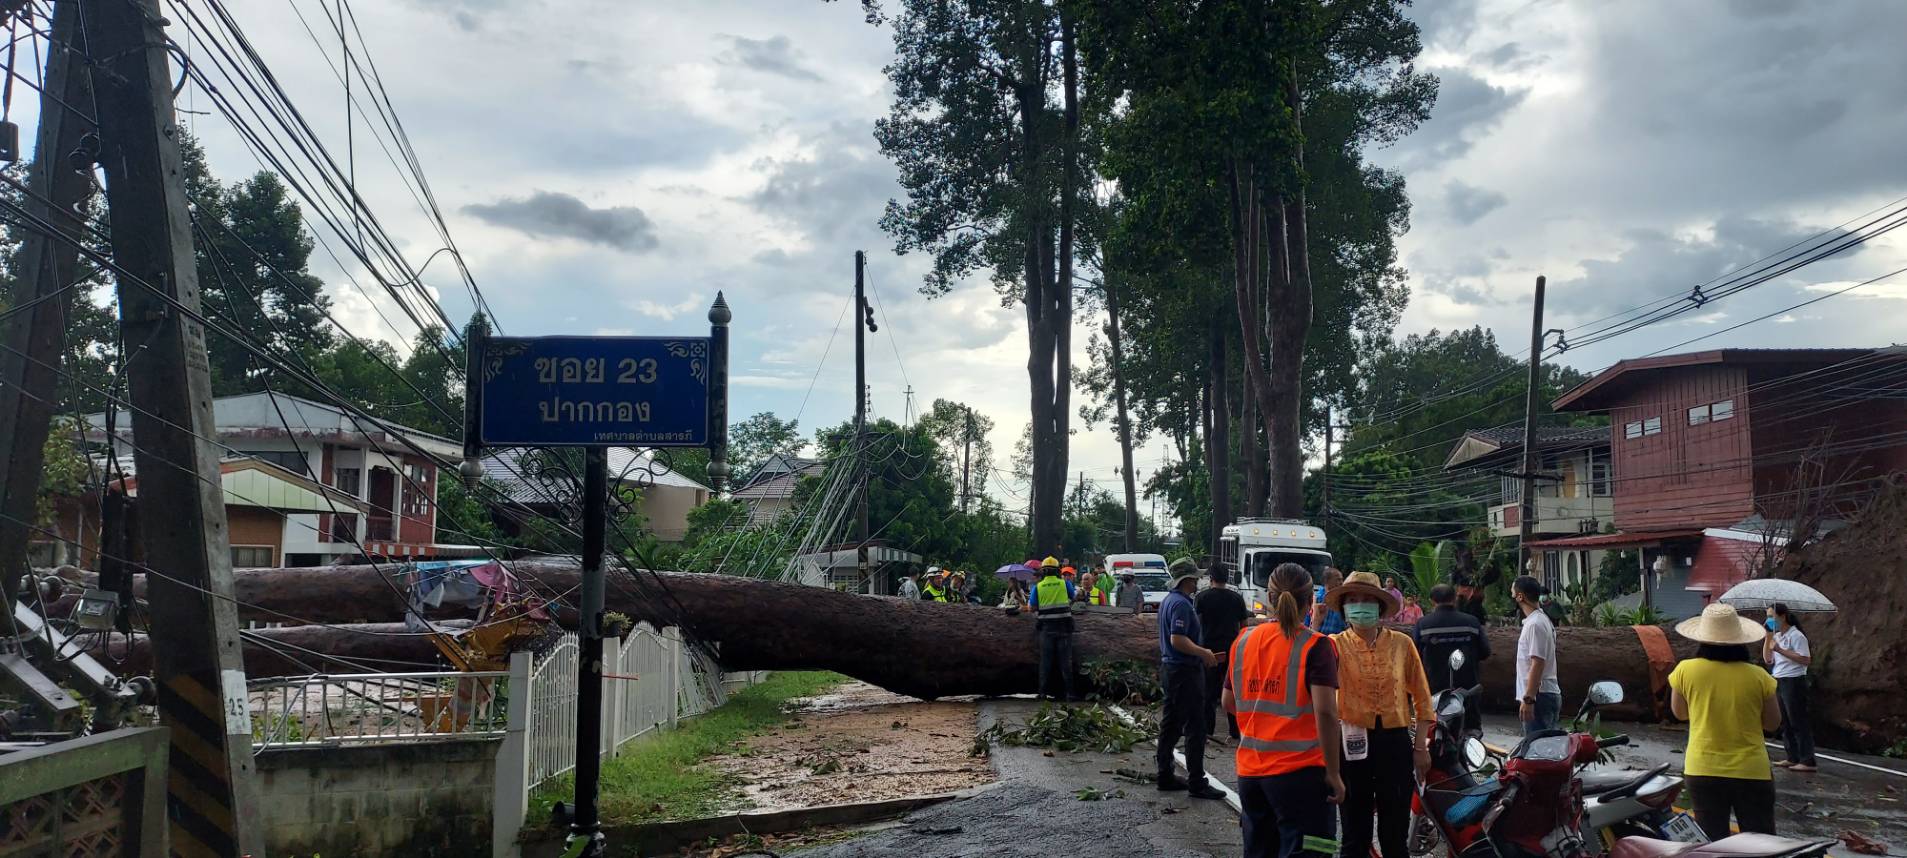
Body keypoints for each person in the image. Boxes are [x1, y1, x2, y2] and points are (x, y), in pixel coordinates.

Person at [1224, 562, 1345, 858]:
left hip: (1251, 774)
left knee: (1259, 850)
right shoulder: (1317, 646)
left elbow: (1228, 702)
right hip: (1301, 776)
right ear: (1311, 600)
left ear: (1269, 597)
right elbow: (1327, 713)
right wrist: (1334, 773)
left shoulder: (1243, 640)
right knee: (1315, 848)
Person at [1330, 571, 1435, 858]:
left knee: (1395, 830)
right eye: (1353, 600)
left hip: (1395, 742)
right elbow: (1320, 700)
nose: (1360, 605)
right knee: (1354, 830)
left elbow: (1422, 698)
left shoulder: (1402, 644)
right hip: (1351, 742)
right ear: (1344, 608)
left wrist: (1420, 747)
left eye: (1367, 599)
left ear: (1379, 606)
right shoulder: (1333, 646)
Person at [1671, 603, 1782, 840]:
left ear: (1703, 638)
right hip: (1752, 771)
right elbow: (1773, 723)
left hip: (1703, 769)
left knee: (1713, 843)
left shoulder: (1685, 670)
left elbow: (1679, 713)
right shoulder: (1759, 676)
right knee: (1761, 844)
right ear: (1740, 639)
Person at [1156, 558, 1226, 800]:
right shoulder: (1181, 605)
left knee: (1171, 724)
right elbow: (1178, 639)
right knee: (1196, 727)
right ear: (1187, 580)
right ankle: (1197, 781)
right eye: (1195, 578)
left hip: (1171, 669)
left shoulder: (1170, 601)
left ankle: (1164, 774)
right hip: (1184, 671)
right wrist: (1203, 653)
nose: (1198, 581)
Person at [1413, 583, 1491, 734]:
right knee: (1471, 732)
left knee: (1433, 731)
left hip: (1434, 691)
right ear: (1454, 599)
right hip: (1467, 689)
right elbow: (1485, 652)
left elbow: (1414, 657)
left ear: (1432, 601)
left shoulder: (1423, 625)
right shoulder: (1471, 622)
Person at [1197, 563, 1251, 742]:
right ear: (1227, 579)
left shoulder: (1202, 597)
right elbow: (1244, 626)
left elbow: (1197, 624)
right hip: (1232, 650)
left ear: (1210, 578)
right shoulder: (1236, 598)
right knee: (1233, 691)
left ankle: (1207, 730)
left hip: (1208, 651)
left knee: (1208, 693)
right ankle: (1235, 731)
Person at [1763, 603, 1816, 772]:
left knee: (1797, 719)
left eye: (1772, 617)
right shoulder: (1777, 636)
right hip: (1778, 678)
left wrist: (1780, 649)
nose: (1770, 620)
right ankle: (1792, 756)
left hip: (1794, 680)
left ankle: (1807, 759)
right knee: (1784, 720)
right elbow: (1768, 659)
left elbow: (1805, 659)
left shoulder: (1796, 636)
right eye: (1768, 617)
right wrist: (1768, 637)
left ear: (1783, 616)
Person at [1513, 575, 1561, 736]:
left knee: (1538, 754)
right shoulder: (1540, 620)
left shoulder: (1535, 624)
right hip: (1541, 695)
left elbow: (1538, 662)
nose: (1512, 595)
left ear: (1520, 596)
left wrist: (1529, 699)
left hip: (1540, 696)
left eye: (1513, 592)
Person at [1029, 557, 1077, 701]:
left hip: (1046, 629)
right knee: (1065, 662)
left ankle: (1042, 692)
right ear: (1058, 571)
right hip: (1063, 627)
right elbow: (1073, 597)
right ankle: (1070, 693)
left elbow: (1032, 608)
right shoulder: (1064, 583)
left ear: (1043, 571)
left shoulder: (1038, 587)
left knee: (1045, 662)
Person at [1309, 568, 1348, 634]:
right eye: (1338, 579)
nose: (1341, 582)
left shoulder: (1344, 601)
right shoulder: (1316, 600)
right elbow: (1307, 626)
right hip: (1318, 640)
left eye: (1342, 579)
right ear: (1327, 581)